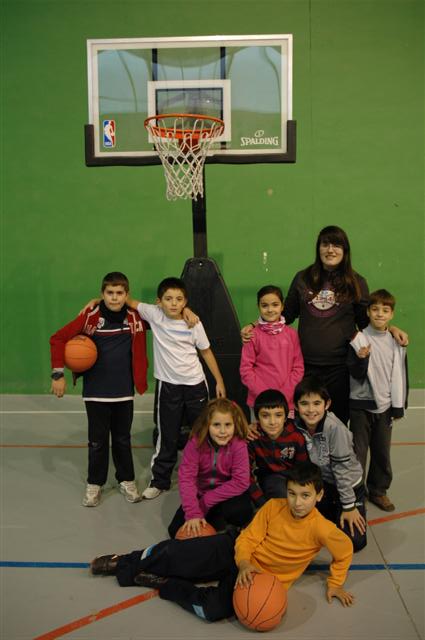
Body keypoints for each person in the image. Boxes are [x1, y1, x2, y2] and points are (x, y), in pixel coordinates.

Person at [90, 462, 355, 623]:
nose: (297, 502)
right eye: (292, 494)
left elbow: (344, 551)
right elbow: (249, 538)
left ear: (319, 496)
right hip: (235, 551)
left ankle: (165, 584)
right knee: (173, 550)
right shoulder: (274, 507)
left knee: (212, 610)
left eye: (306, 495)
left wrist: (335, 583)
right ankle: (125, 562)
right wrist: (243, 563)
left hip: (260, 579)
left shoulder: (324, 529)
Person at [241, 226, 408, 424]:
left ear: (345, 251)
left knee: (337, 424)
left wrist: (392, 329)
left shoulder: (357, 282)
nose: (330, 250)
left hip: (341, 368)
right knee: (306, 424)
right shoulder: (302, 278)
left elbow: (366, 322)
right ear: (318, 248)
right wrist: (254, 324)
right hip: (306, 367)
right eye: (325, 244)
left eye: (337, 245)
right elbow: (286, 314)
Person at [50, 272, 148, 507]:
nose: (114, 298)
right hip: (96, 391)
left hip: (124, 391)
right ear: (102, 294)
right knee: (97, 441)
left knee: (123, 439)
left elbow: (165, 314)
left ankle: (126, 480)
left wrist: (185, 311)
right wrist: (58, 374)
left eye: (119, 293)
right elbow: (58, 338)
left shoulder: (136, 318)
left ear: (127, 294)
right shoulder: (90, 317)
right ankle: (95, 483)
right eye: (109, 293)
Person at [125, 277, 226, 500]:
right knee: (166, 435)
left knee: (201, 433)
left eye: (179, 299)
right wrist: (96, 301)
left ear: (185, 302)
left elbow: (206, 352)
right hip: (168, 386)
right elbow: (128, 301)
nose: (174, 303)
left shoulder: (193, 323)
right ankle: (160, 480)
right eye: (168, 299)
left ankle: (205, 477)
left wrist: (219, 380)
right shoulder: (154, 314)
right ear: (159, 302)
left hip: (195, 386)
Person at [347, 289, 408, 512]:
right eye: (375, 309)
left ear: (391, 314)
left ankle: (379, 490)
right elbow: (353, 371)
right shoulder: (358, 339)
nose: (379, 314)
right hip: (361, 406)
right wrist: (361, 359)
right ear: (368, 312)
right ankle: (355, 493)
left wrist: (398, 405)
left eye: (385, 310)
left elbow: (400, 374)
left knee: (382, 451)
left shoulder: (396, 341)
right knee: (358, 452)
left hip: (385, 407)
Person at [294, 376, 367, 552]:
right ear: (295, 406)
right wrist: (252, 427)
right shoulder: (295, 423)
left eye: (317, 403)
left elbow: (341, 471)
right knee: (302, 529)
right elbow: (274, 420)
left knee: (355, 543)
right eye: (304, 404)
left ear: (327, 405)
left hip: (348, 485)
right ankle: (331, 512)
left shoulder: (335, 429)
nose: (311, 410)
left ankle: (352, 506)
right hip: (323, 486)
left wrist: (348, 506)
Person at [167, 398, 252, 538]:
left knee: (241, 512)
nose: (223, 431)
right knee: (175, 530)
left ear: (235, 424)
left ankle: (223, 523)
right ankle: (215, 520)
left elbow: (241, 482)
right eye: (216, 425)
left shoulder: (238, 444)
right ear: (207, 424)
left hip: (227, 493)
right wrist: (193, 512)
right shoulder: (195, 443)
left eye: (228, 425)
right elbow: (187, 479)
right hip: (201, 493)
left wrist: (206, 501)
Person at [240, 285, 304, 414]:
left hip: (286, 401)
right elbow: (246, 370)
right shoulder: (251, 335)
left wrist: (284, 395)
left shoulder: (292, 334)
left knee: (286, 433)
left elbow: (298, 368)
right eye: (264, 306)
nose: (270, 310)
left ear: (282, 306)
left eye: (275, 305)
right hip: (259, 401)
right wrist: (265, 395)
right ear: (258, 307)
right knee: (260, 433)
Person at [248, 389, 308, 508]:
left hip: (294, 478)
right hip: (270, 478)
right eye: (265, 416)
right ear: (257, 419)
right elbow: (245, 475)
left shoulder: (296, 437)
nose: (272, 422)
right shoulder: (253, 437)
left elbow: (303, 468)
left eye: (278, 415)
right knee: (279, 490)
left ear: (285, 417)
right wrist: (262, 503)